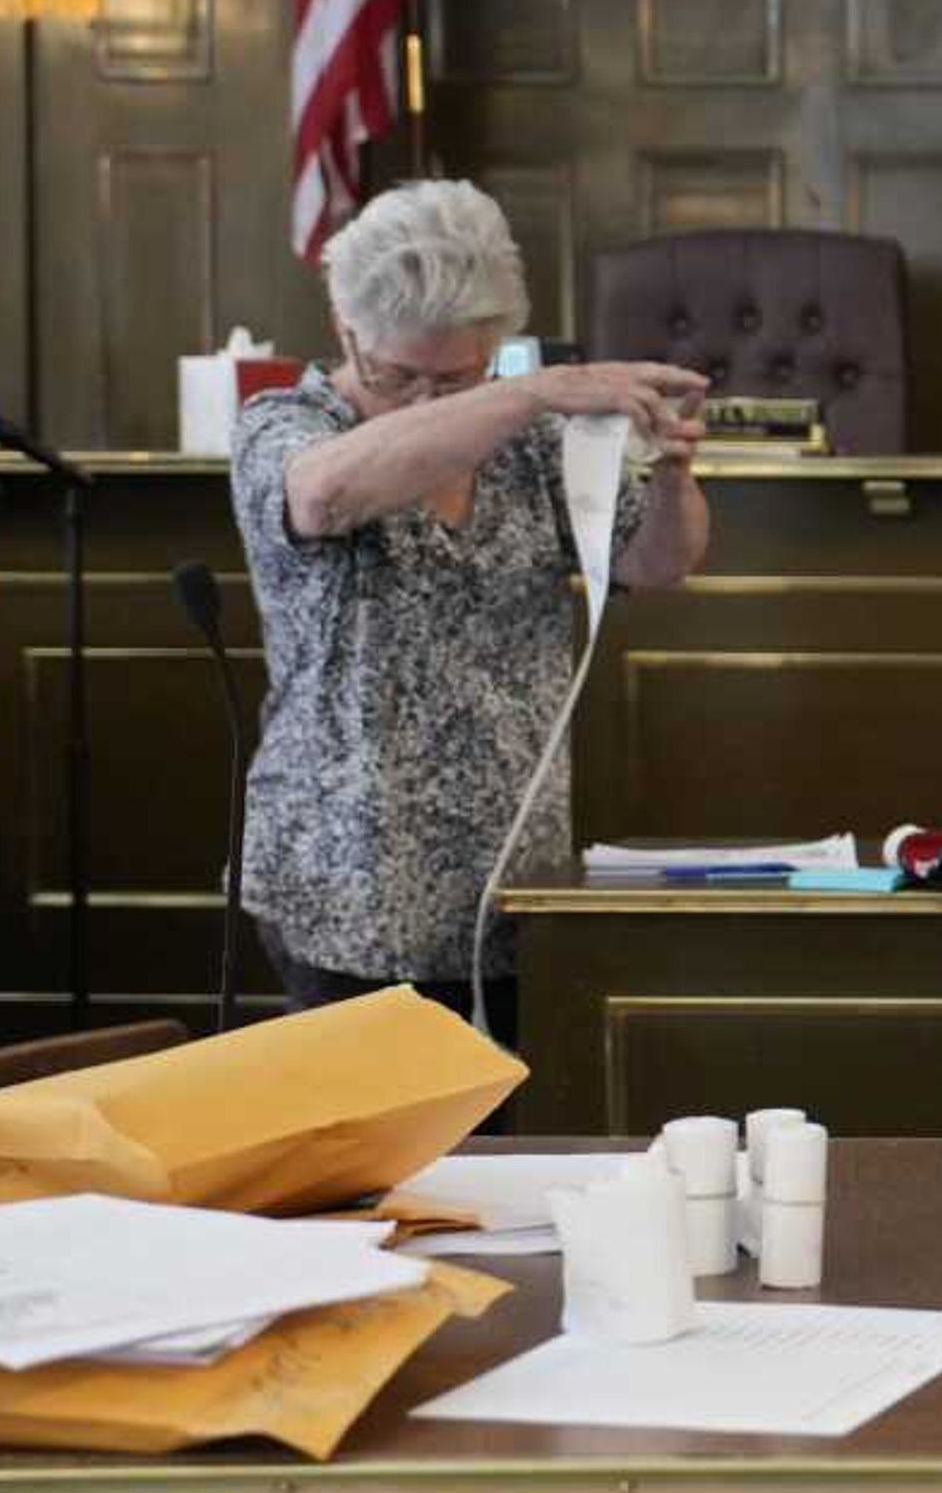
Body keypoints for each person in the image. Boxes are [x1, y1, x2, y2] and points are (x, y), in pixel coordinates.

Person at [228, 180, 713, 1042]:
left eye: (456, 375)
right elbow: (323, 494)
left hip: (512, 879)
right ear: (345, 327)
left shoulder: (526, 445)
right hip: (350, 884)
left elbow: (658, 561)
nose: (427, 400)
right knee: (368, 1166)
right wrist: (523, 394)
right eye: (397, 373)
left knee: (508, 1161)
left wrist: (672, 470)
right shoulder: (290, 423)